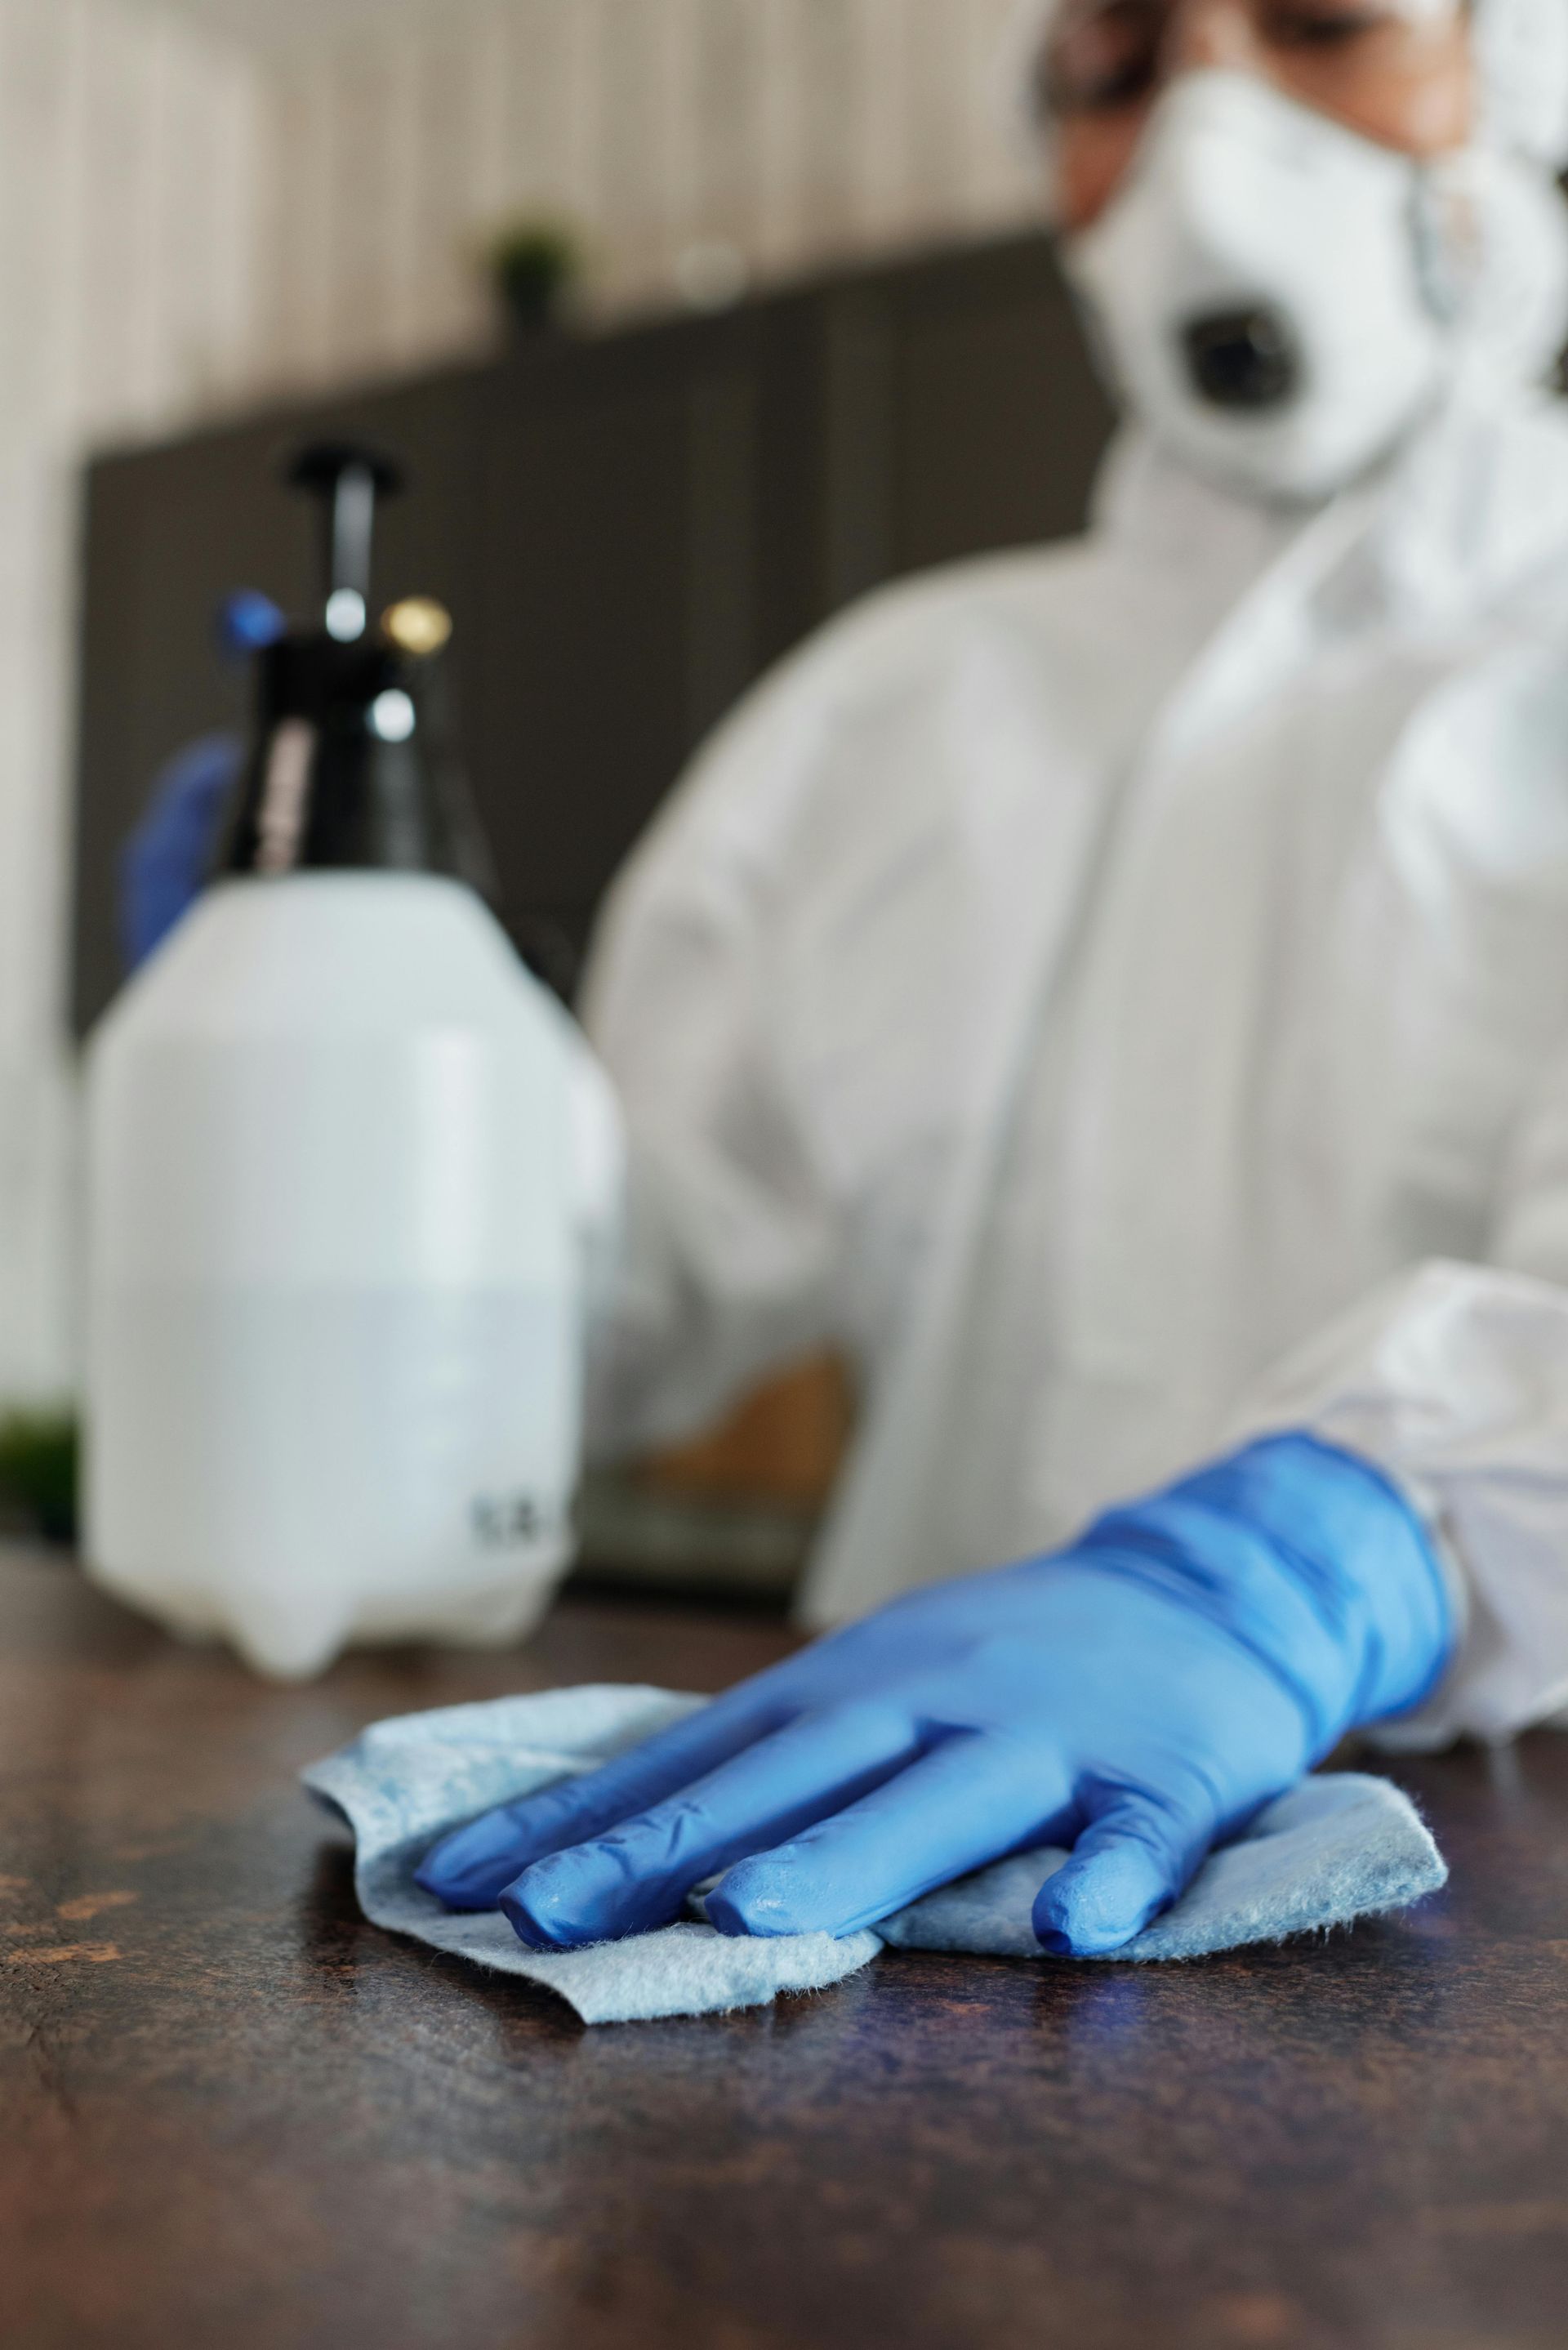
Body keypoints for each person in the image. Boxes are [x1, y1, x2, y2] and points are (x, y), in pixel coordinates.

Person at [134, 0, 1568, 1959]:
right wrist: (352, 1098)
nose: (1207, 135)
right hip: (878, 1894)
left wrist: (1319, 1565)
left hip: (1482, 1910)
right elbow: (605, 1307)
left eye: (1324, 23)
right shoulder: (891, 710)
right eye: (1116, 64)